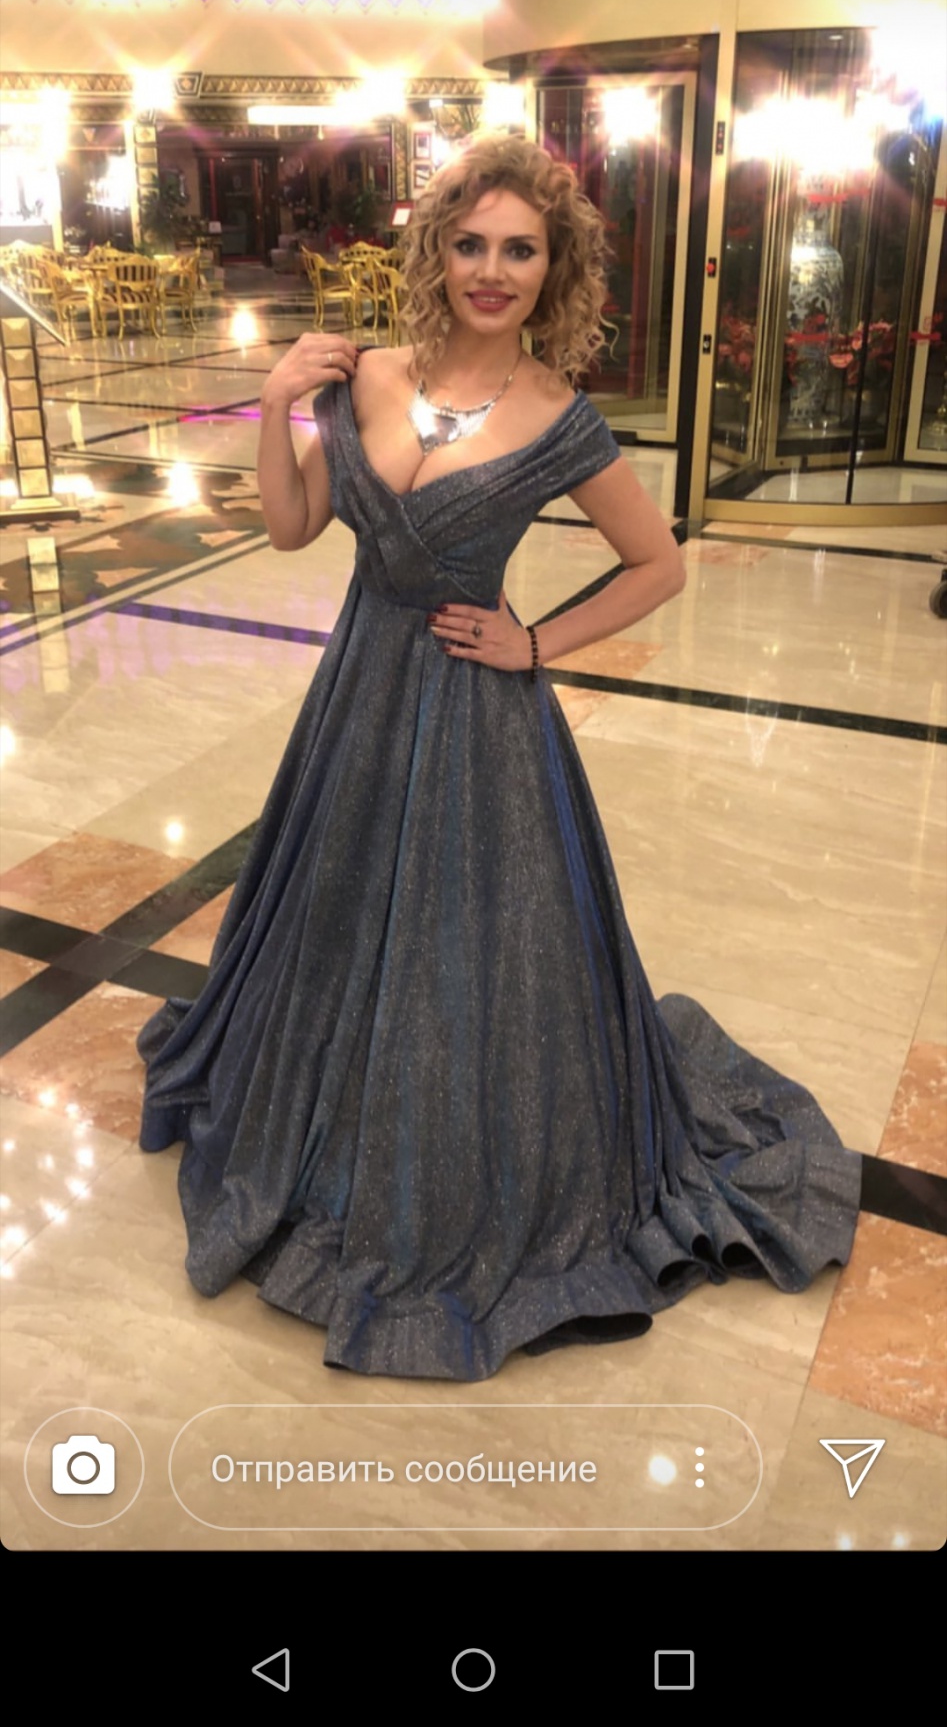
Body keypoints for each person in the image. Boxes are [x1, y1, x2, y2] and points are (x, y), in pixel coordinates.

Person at [137, 132, 862, 1382]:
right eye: (469, 244)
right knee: (335, 911)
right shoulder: (366, 375)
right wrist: (270, 405)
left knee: (467, 952)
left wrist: (535, 643)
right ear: (436, 251)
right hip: (354, 698)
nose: (490, 270)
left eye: (518, 250)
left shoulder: (558, 418)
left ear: (551, 268)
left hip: (478, 716)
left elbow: (656, 564)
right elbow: (291, 525)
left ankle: (438, 1153)